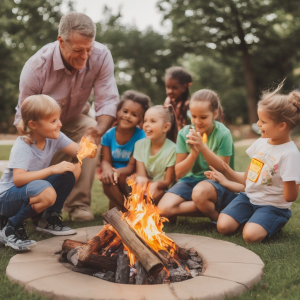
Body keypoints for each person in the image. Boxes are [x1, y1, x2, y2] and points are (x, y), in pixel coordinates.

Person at [14, 12, 119, 221]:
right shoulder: (36, 67)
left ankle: (78, 204)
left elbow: (107, 99)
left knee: (89, 129)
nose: (84, 56)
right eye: (78, 50)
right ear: (61, 41)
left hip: (76, 117)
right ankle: (36, 202)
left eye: (89, 49)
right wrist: (44, 137)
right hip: (42, 126)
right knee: (41, 170)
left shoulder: (101, 55)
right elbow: (24, 119)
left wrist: (99, 129)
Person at [0, 95, 94, 251]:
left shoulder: (53, 137)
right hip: (6, 199)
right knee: (47, 191)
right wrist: (51, 169)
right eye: (53, 121)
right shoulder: (23, 145)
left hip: (29, 189)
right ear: (33, 124)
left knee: (71, 170)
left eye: (58, 119)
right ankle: (9, 228)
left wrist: (89, 145)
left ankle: (48, 219)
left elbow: (79, 152)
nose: (60, 124)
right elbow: (18, 179)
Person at [213, 85, 300, 243]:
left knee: (250, 237)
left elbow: (290, 197)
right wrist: (226, 172)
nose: (258, 124)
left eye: (263, 121)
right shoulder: (261, 143)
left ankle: (272, 222)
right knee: (223, 227)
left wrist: (292, 180)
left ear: (281, 126)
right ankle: (254, 220)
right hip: (248, 198)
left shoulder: (290, 154)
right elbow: (248, 179)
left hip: (273, 207)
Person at [158, 89, 235, 221]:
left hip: (216, 180)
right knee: (163, 210)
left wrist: (203, 148)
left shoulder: (223, 134)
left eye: (203, 117)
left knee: (199, 193)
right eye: (193, 116)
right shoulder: (184, 133)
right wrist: (193, 154)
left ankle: (216, 218)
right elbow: (180, 173)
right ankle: (215, 207)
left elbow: (223, 168)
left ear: (215, 114)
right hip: (190, 181)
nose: (197, 122)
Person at [100, 91, 151, 211]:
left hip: (133, 173)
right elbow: (105, 160)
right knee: (107, 178)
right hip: (115, 174)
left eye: (134, 114)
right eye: (125, 111)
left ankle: (126, 210)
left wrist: (115, 173)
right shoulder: (108, 134)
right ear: (117, 111)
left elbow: (131, 167)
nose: (127, 116)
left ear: (140, 119)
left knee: (121, 176)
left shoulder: (141, 136)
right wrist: (107, 170)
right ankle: (126, 211)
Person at [133, 105, 177, 203]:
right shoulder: (139, 145)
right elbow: (141, 175)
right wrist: (141, 183)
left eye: (152, 121)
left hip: (163, 189)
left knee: (152, 194)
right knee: (132, 183)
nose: (147, 124)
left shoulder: (173, 149)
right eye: (145, 121)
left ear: (166, 127)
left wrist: (155, 185)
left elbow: (168, 182)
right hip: (146, 186)